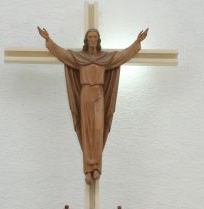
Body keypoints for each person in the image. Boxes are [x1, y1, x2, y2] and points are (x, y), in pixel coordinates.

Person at [37, 26, 148, 184]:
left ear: (98, 40)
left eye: (95, 37)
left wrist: (137, 42)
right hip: (85, 95)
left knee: (98, 130)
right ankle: (88, 169)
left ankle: (96, 167)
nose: (93, 40)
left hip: (99, 95)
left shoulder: (105, 58)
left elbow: (122, 55)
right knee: (87, 130)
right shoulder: (79, 58)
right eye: (90, 37)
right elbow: (63, 54)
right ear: (86, 40)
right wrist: (49, 40)